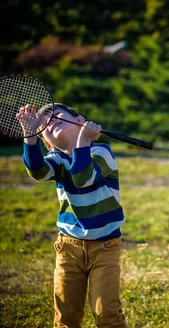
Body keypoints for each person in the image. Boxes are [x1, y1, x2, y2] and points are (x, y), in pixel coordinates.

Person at [16, 103, 128, 328]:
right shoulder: (56, 161)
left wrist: (84, 141)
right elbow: (37, 171)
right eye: (44, 124)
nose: (51, 121)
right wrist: (30, 135)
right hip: (68, 248)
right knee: (66, 316)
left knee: (107, 314)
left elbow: (82, 177)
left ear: (80, 121)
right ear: (47, 142)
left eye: (57, 115)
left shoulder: (101, 152)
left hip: (105, 248)